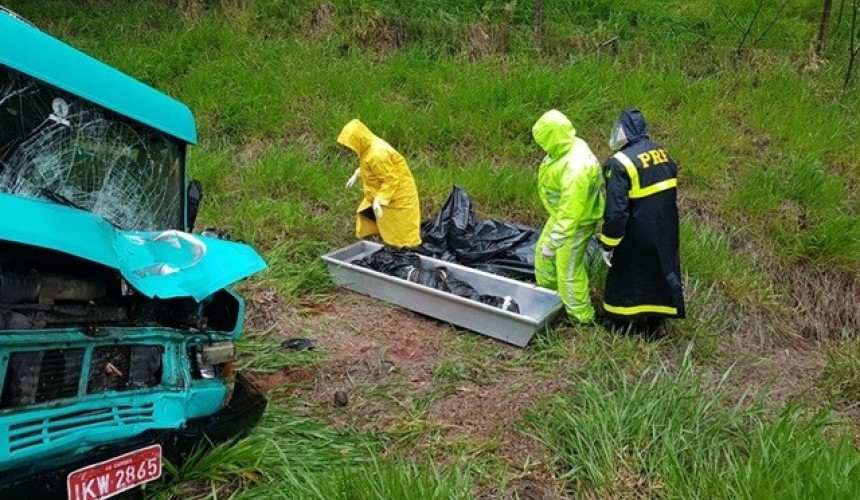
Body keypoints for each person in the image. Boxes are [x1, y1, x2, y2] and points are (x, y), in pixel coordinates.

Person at [599, 108, 685, 336]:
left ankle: (622, 325)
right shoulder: (663, 153)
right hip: (664, 229)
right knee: (659, 274)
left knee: (628, 278)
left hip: (635, 232)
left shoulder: (619, 164)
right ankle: (654, 325)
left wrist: (608, 243)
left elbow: (615, 213)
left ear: (625, 131)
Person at [532, 109, 604, 324]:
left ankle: (581, 318)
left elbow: (571, 211)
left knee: (569, 271)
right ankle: (550, 301)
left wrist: (554, 242)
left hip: (577, 222)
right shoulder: (565, 146)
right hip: (561, 215)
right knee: (542, 258)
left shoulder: (576, 169)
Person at [337, 119, 422, 248]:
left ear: (358, 139)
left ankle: (404, 252)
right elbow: (370, 168)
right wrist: (357, 174)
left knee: (401, 230)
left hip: (398, 196)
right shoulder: (368, 148)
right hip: (384, 194)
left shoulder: (377, 154)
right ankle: (385, 244)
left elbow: (391, 179)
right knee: (382, 222)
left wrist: (380, 199)